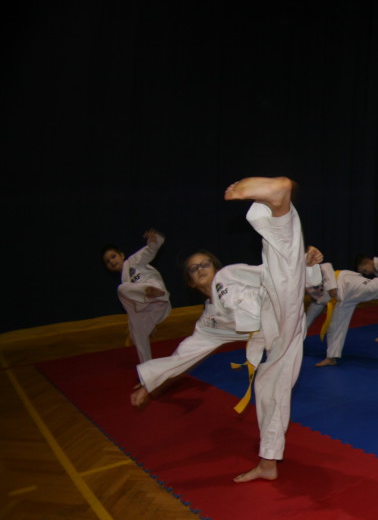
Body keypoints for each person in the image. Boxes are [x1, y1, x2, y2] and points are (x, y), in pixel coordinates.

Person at [130, 176, 318, 483]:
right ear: (190, 283)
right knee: (269, 393)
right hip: (278, 338)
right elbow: (185, 355)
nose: (202, 268)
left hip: (273, 304)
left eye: (205, 263)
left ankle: (278, 206)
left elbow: (269, 272)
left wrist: (304, 264)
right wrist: (148, 384)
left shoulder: (229, 275)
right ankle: (268, 463)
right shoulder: (209, 323)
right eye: (194, 268)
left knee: (279, 273)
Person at [313, 263, 378, 367]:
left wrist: (331, 286)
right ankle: (331, 357)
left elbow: (326, 266)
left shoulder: (307, 269)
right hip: (342, 297)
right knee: (335, 325)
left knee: (372, 287)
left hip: (345, 282)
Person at [102, 230, 172, 363]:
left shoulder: (134, 261)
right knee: (138, 335)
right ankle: (147, 367)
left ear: (121, 255)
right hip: (151, 309)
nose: (111, 261)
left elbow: (150, 250)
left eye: (113, 256)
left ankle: (149, 290)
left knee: (122, 289)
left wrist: (155, 239)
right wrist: (138, 327)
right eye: (107, 261)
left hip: (158, 296)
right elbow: (132, 310)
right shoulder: (126, 283)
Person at [304, 259, 338, 331]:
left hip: (334, 298)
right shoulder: (302, 276)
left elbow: (333, 292)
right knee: (306, 323)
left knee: (335, 323)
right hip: (318, 301)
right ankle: (298, 337)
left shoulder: (325, 267)